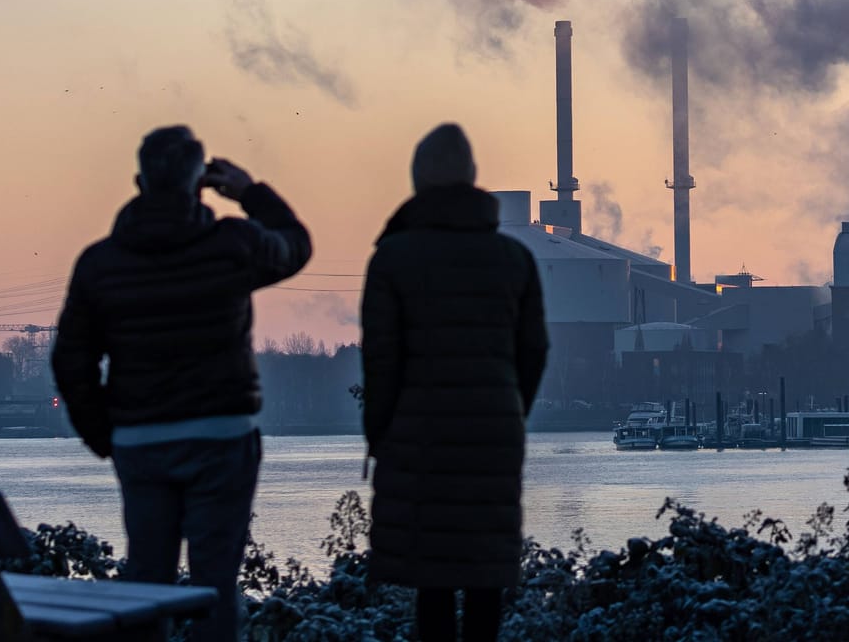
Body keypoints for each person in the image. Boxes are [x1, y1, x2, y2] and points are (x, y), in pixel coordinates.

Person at [51, 125, 311, 641]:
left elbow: (71, 360)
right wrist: (250, 191)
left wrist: (106, 435)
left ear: (138, 182)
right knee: (215, 585)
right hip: (222, 436)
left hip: (140, 440)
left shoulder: (101, 263)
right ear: (200, 186)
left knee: (148, 583)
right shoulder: (232, 244)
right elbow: (295, 246)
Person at [361, 123, 548, 642]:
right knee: (485, 575)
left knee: (433, 581)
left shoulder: (393, 259)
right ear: (472, 178)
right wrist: (510, 411)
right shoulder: (515, 259)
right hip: (492, 441)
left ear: (418, 180)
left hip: (418, 442)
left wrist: (380, 434)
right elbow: (534, 351)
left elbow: (380, 361)